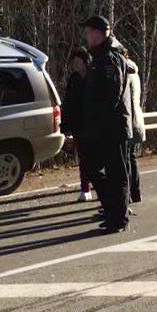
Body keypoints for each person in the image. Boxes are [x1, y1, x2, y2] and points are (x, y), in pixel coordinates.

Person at [82, 15, 132, 234]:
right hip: (102, 127)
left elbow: (111, 95)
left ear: (100, 33)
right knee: (98, 170)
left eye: (89, 32)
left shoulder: (109, 59)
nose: (86, 36)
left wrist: (97, 119)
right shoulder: (99, 58)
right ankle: (113, 213)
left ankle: (118, 218)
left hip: (112, 127)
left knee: (116, 173)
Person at [61, 47, 93, 202]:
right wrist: (65, 126)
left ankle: (99, 186)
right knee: (84, 157)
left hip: (93, 124)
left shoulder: (93, 78)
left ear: (86, 62)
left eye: (78, 61)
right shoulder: (73, 79)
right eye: (74, 62)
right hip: (79, 125)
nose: (75, 65)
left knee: (96, 158)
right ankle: (85, 188)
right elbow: (67, 103)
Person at [124, 55, 145, 204]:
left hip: (129, 122)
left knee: (126, 159)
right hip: (136, 120)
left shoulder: (126, 74)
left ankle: (129, 195)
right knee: (131, 157)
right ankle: (135, 192)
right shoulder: (134, 74)